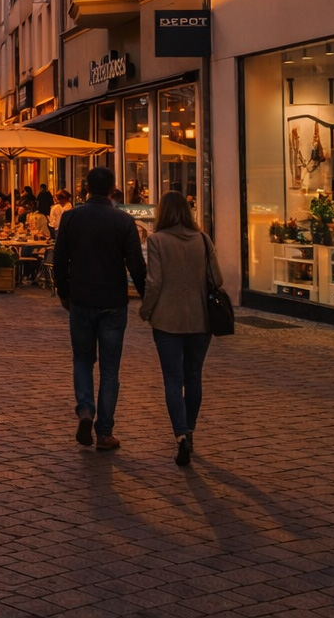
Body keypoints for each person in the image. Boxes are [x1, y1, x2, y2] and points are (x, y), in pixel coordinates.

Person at [54, 166, 147, 452]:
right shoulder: (123, 221)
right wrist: (148, 298)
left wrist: (64, 293)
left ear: (86, 188)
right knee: (110, 369)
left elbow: (60, 261)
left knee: (82, 359)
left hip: (81, 299)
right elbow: (136, 265)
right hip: (113, 302)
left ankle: (85, 410)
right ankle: (104, 431)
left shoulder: (71, 217)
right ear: (112, 190)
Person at [140, 191, 221, 467]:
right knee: (194, 377)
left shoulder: (157, 240)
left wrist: (146, 310)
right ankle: (191, 429)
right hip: (200, 319)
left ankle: (181, 434)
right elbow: (217, 278)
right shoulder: (203, 239)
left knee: (173, 380)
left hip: (167, 320)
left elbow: (154, 282)